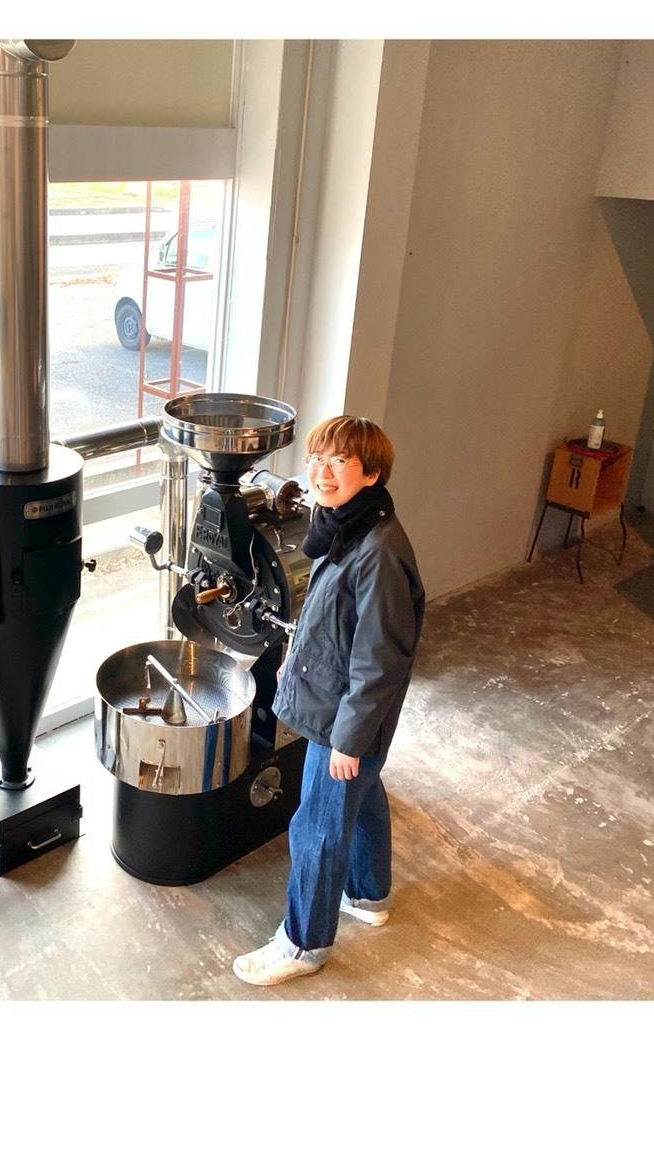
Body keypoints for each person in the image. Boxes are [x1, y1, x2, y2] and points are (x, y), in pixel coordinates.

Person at [233, 415, 424, 986]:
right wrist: (294, 656)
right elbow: (332, 618)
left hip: (345, 715)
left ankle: (304, 943)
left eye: (340, 461)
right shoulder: (345, 525)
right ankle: (368, 894)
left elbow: (380, 661)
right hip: (333, 698)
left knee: (317, 825)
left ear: (373, 473)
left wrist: (349, 740)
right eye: (317, 458)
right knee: (361, 797)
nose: (322, 471)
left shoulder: (379, 552)